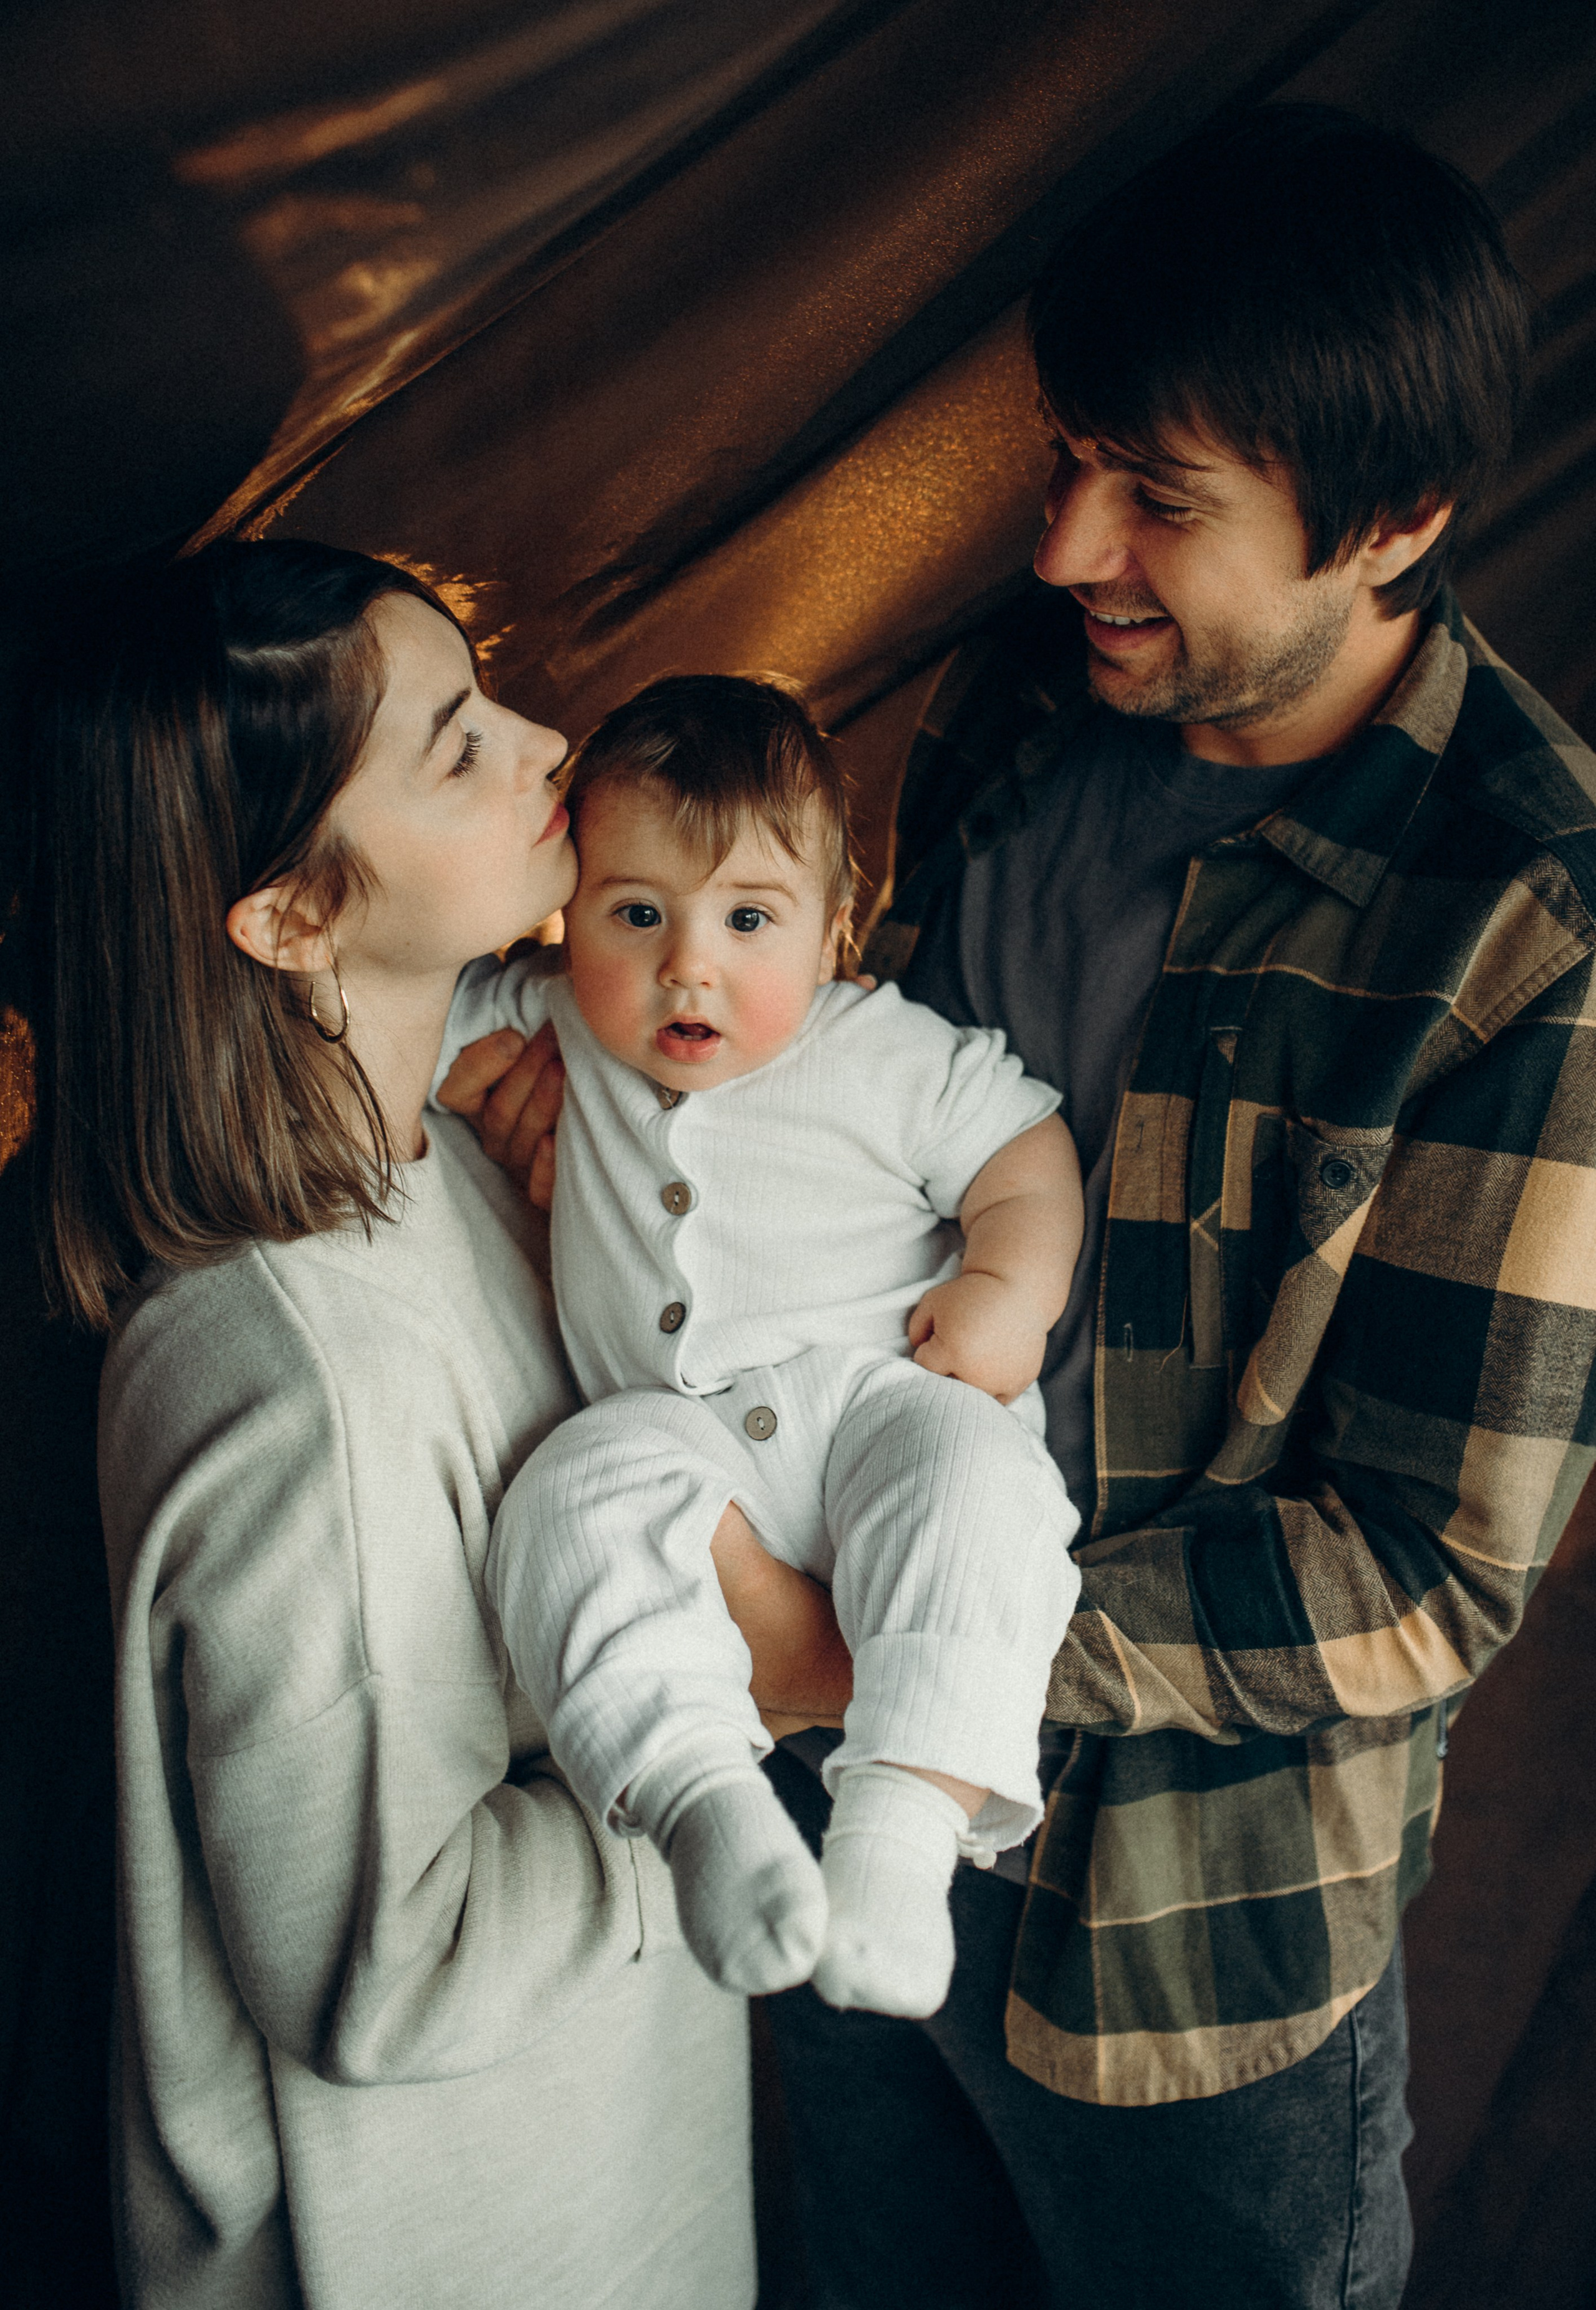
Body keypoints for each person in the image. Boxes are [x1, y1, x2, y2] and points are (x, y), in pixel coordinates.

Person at [442, 105, 1596, 2309]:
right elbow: (856, 1090)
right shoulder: (1031, 707)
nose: (1066, 546)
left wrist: (885, 1653)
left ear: (1399, 526)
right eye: (1069, 456)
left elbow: (1425, 1574)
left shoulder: (1527, 931)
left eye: (1161, 499)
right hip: (823, 1817)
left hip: (1187, 1938)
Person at [11, 539, 763, 2310]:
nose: (545, 745)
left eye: (490, 694)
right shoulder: (288, 1382)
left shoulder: (466, 1179)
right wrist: (742, 1706)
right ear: (287, 915)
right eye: (458, 747)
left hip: (586, 2199)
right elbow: (387, 1967)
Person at [438, 675, 1082, 2021]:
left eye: (747, 919)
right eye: (634, 914)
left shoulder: (881, 1051)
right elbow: (389, 1024)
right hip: (679, 1437)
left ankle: (899, 1834)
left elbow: (1023, 1148)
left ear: (836, 929)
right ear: (568, 919)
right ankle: (701, 1803)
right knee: (561, 1495)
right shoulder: (554, 1020)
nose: (688, 963)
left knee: (981, 1484)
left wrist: (1007, 1285)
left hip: (879, 1401)